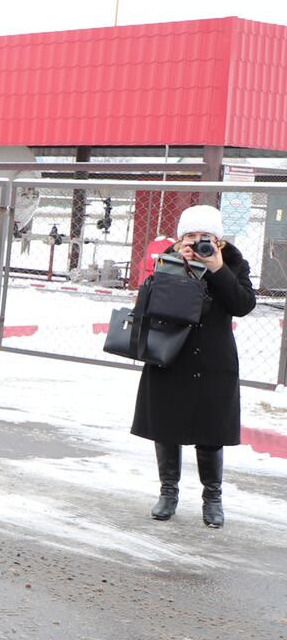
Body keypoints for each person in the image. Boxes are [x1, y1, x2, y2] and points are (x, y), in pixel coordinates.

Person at [132, 203, 256, 528]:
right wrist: (175, 267)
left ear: (219, 241)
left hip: (214, 359)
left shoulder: (232, 264)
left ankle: (212, 498)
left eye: (205, 236)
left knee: (211, 429)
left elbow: (243, 305)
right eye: (191, 235)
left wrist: (217, 269)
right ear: (180, 238)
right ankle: (168, 493)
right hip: (171, 356)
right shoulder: (170, 261)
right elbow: (146, 305)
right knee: (167, 427)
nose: (198, 241)